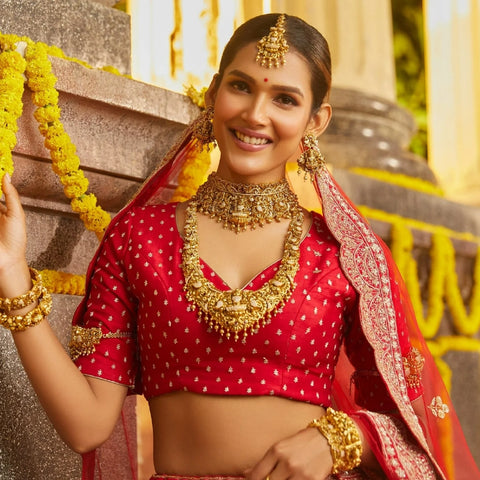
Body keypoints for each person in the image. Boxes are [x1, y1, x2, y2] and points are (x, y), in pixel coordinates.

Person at [0, 12, 478, 480]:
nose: (255, 114)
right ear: (213, 93)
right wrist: (14, 277)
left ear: (316, 121)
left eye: (285, 99)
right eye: (242, 86)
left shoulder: (347, 255)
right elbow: (87, 426)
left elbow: (418, 426)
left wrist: (340, 438)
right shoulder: (138, 238)